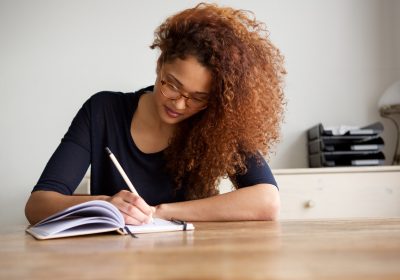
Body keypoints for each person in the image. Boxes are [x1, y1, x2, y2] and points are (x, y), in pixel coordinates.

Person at [25, 3, 285, 225]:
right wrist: (106, 204)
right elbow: (37, 206)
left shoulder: (215, 123)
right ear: (160, 64)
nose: (180, 105)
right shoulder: (103, 111)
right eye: (172, 85)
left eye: (198, 98)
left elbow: (267, 201)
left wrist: (162, 211)